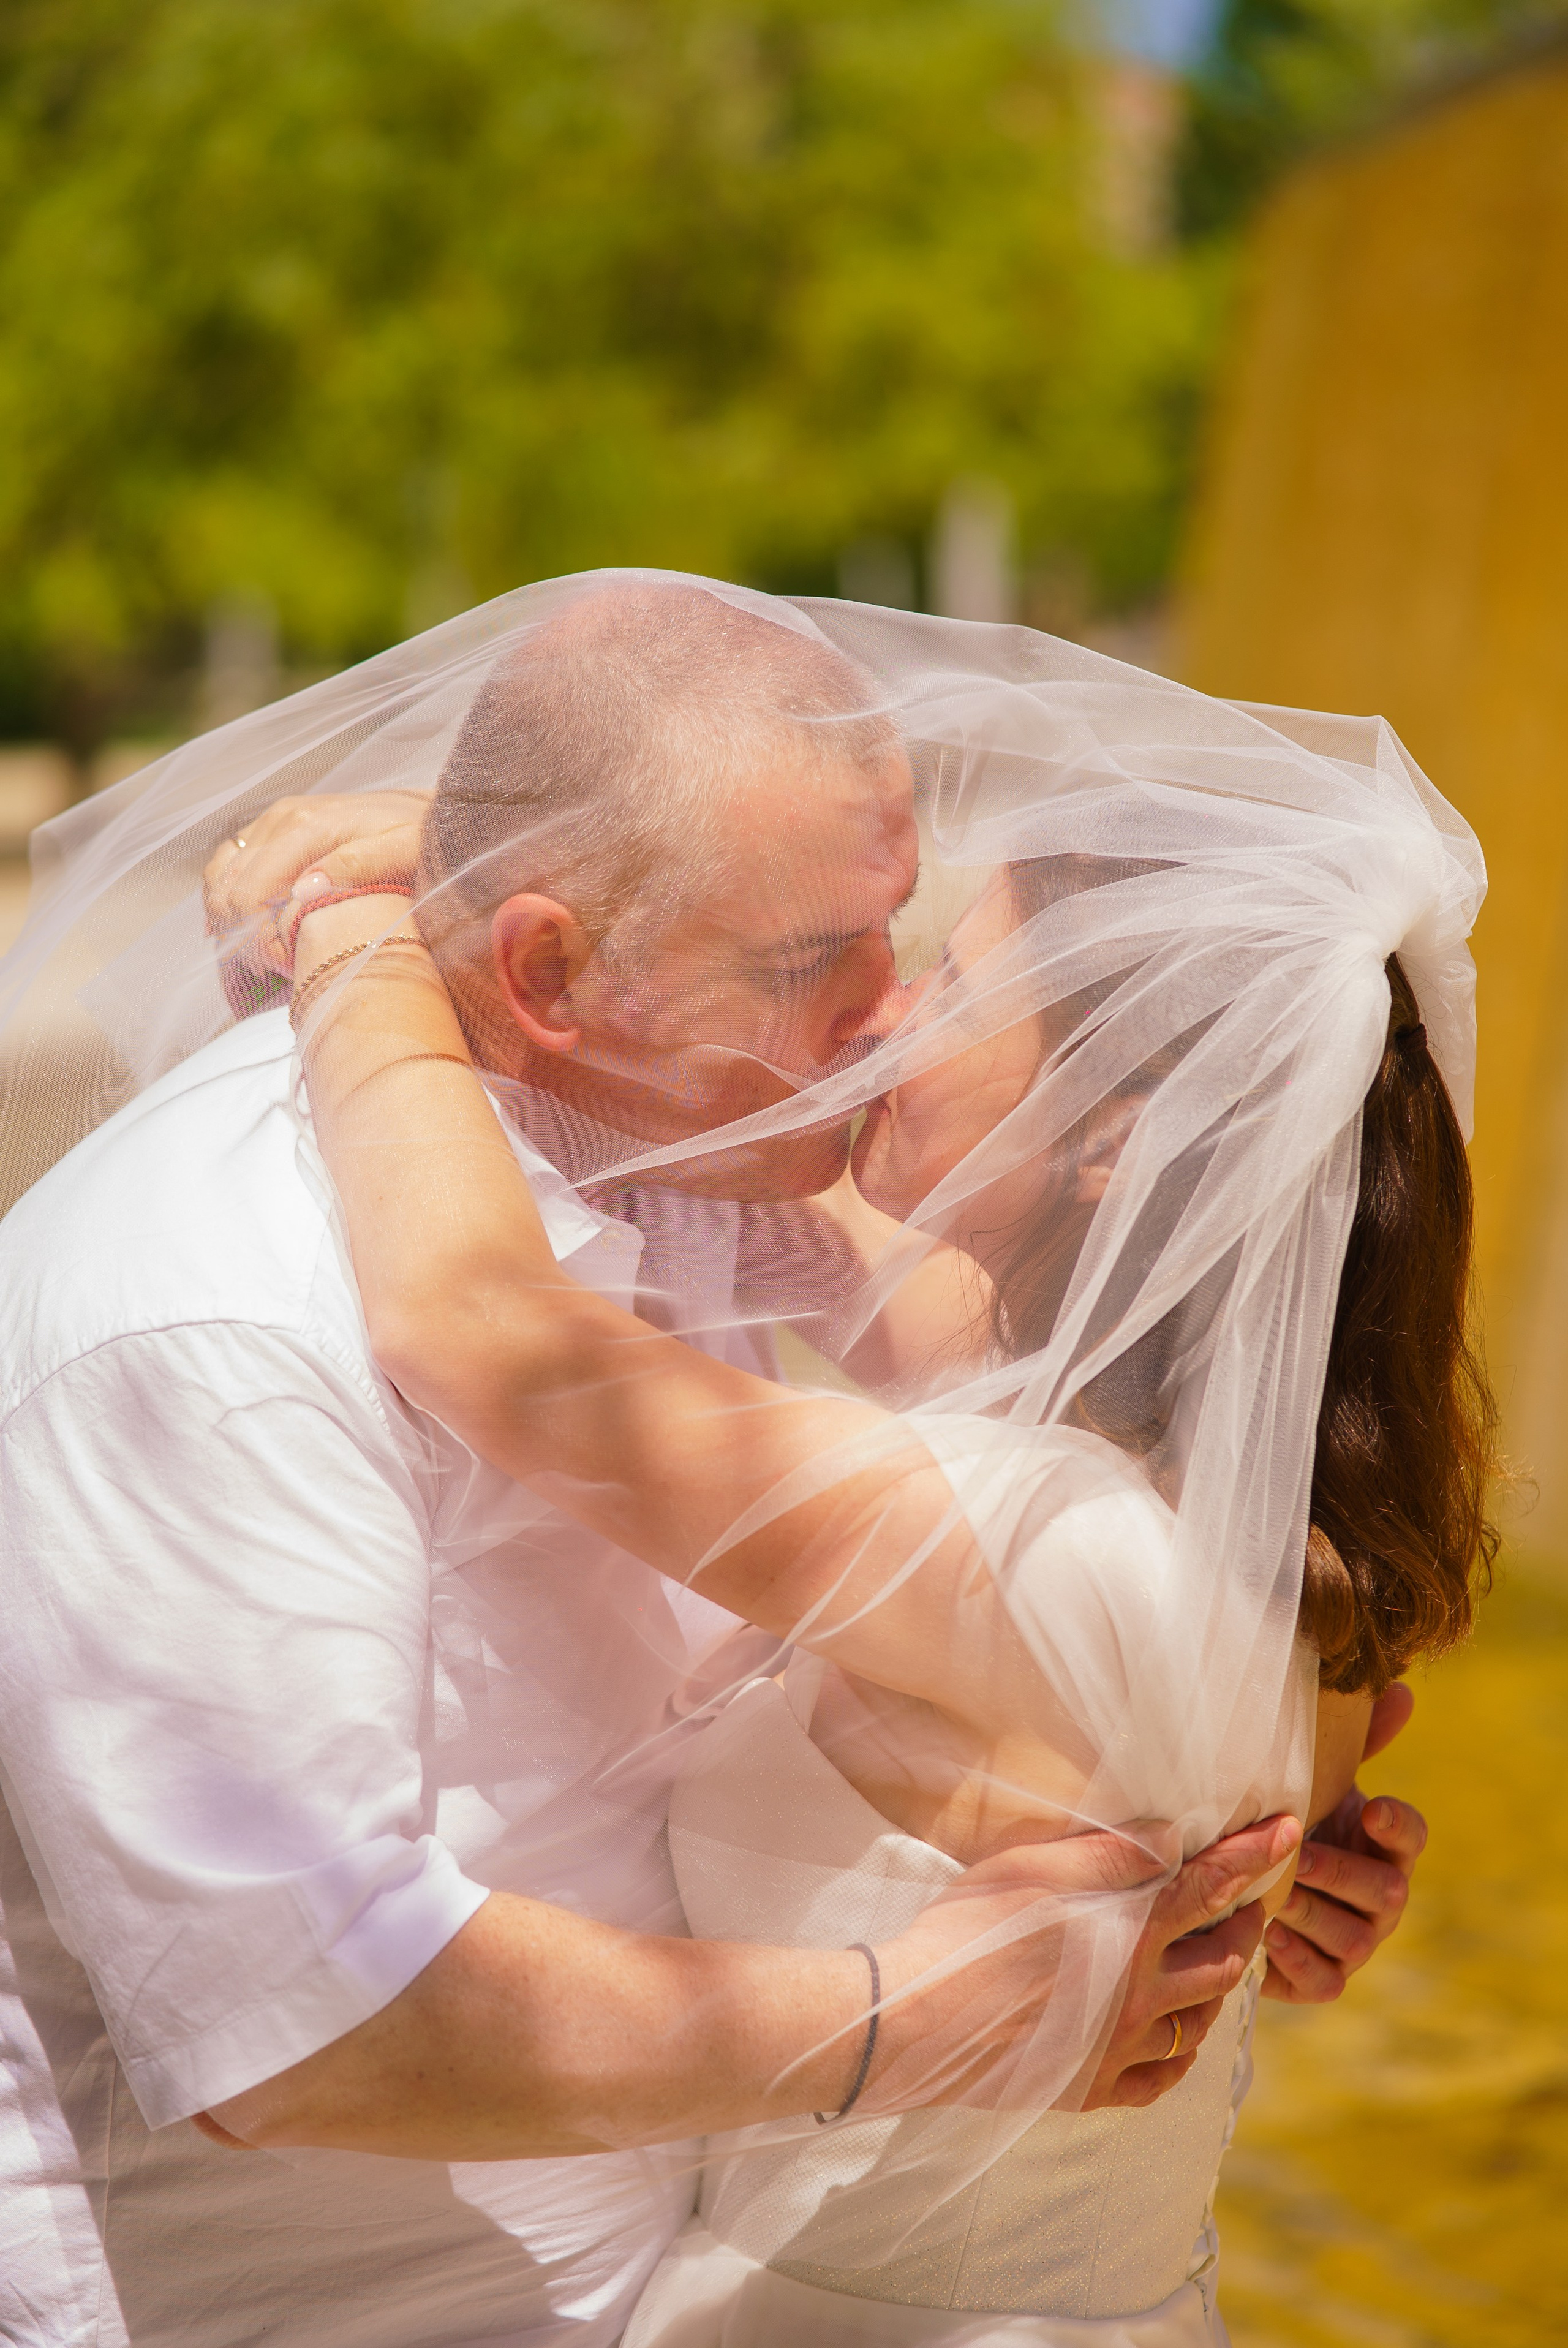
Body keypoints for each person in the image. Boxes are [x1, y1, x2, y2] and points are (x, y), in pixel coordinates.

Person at [0, 579, 1305, 2348]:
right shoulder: (212, 1318)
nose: (890, 1015)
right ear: (548, 968)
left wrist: (382, 921)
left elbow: (501, 1327)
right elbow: (308, 2013)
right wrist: (896, 2017)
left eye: (906, 941)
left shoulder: (713, 1130)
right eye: (807, 959)